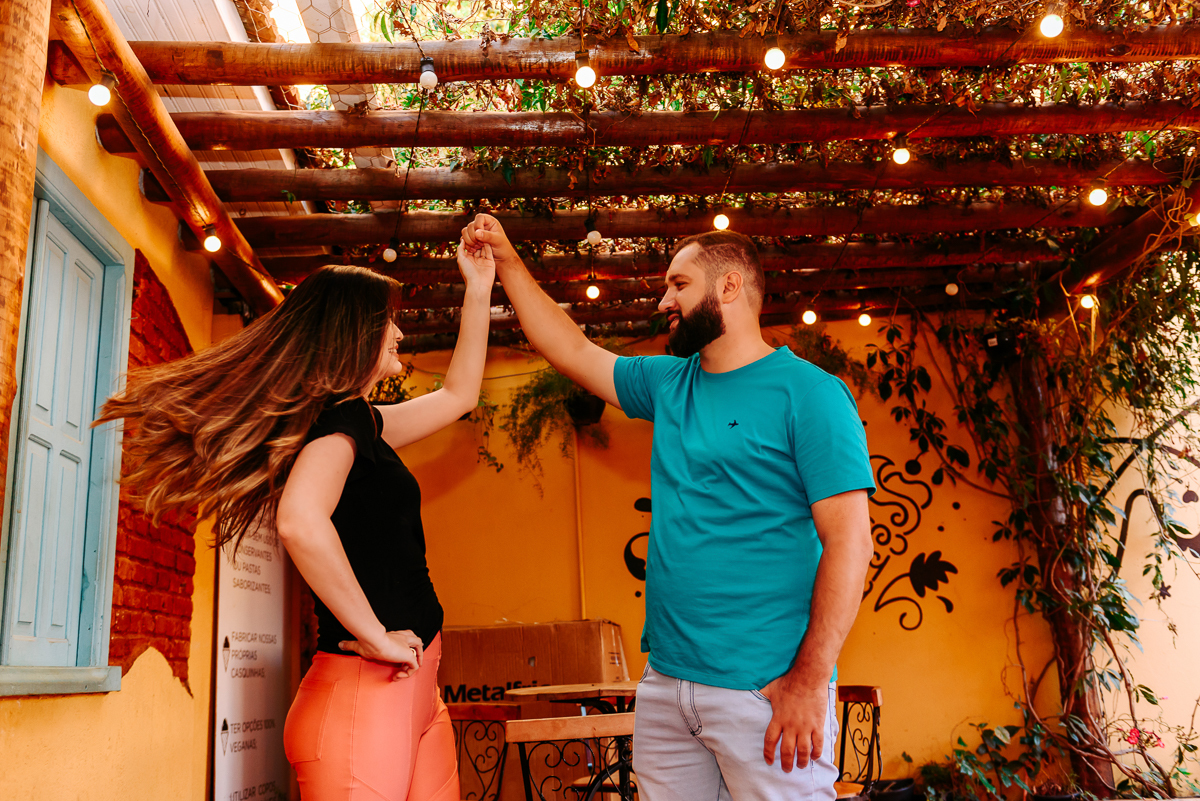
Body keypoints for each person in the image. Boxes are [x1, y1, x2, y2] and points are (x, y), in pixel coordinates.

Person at [461, 216, 875, 801]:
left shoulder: (809, 394)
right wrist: (505, 260)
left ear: (729, 287)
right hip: (665, 687)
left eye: (679, 284)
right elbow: (571, 348)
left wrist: (808, 683)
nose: (664, 300)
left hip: (765, 691)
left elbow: (851, 543)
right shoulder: (667, 382)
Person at [97, 243, 497, 801]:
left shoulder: (363, 425)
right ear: (355, 334)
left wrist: (478, 290)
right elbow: (301, 522)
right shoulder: (343, 421)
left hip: (415, 691)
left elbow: (458, 396)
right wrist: (374, 635)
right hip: (366, 698)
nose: (400, 334)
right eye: (389, 322)